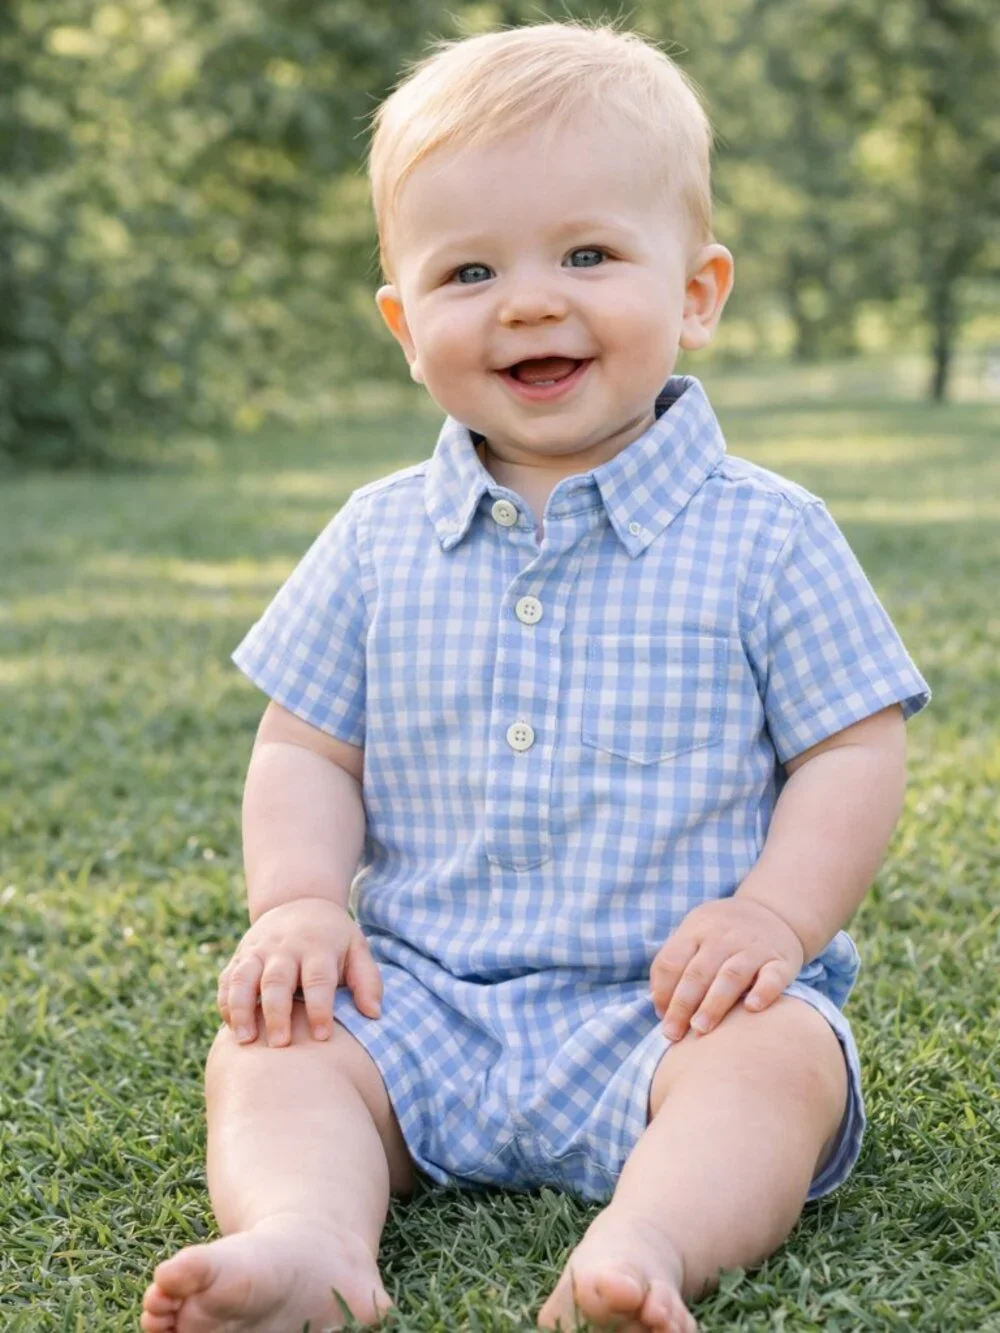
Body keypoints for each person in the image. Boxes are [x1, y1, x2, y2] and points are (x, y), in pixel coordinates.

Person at [141, 21, 930, 1333]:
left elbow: (851, 748)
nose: (527, 300)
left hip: (676, 1011)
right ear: (405, 323)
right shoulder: (376, 535)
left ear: (697, 291)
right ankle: (313, 1239)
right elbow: (305, 747)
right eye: (467, 270)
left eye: (587, 253)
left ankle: (645, 1249)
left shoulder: (768, 531)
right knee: (276, 1049)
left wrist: (774, 923)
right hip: (418, 999)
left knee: (781, 1064)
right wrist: (293, 906)